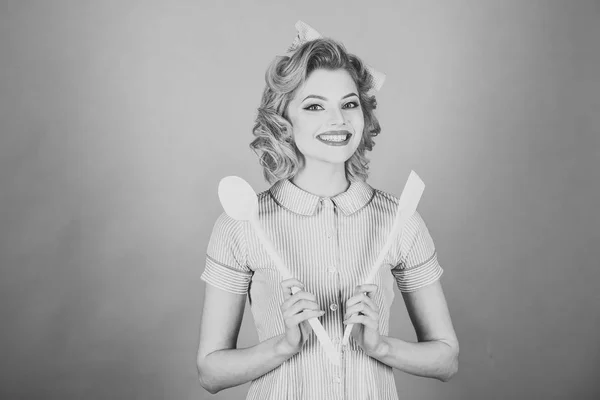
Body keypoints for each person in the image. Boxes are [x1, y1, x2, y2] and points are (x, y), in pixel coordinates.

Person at [196, 21, 459, 400]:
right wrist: (282, 346)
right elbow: (210, 372)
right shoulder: (240, 225)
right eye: (315, 105)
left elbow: (446, 360)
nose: (337, 120)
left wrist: (381, 346)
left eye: (349, 104)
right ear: (284, 119)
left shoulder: (400, 220)